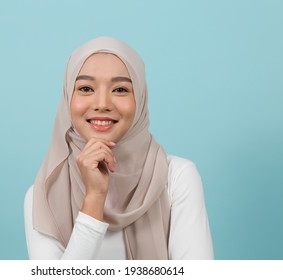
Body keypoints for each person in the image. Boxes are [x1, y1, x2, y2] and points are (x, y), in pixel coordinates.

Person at [24, 37, 214, 260]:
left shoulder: (176, 177)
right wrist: (94, 197)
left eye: (120, 89)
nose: (102, 103)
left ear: (140, 98)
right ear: (68, 97)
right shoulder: (44, 194)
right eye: (86, 88)